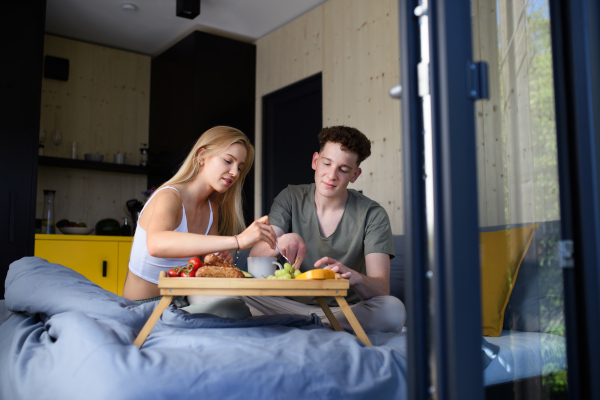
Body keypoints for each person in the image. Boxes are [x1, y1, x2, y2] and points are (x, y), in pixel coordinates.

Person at [248, 126, 406, 333]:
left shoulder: (373, 214)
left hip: (345, 310)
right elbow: (255, 258)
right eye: (327, 163)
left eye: (343, 169)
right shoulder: (290, 197)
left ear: (355, 175)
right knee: (234, 295)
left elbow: (381, 290)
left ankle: (308, 324)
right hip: (287, 306)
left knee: (393, 309)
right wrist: (281, 242)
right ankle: (319, 325)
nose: (331, 175)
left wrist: (355, 277)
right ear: (315, 161)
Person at [123, 126, 277, 318]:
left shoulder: (212, 206)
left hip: (182, 303)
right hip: (144, 308)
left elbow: (205, 261)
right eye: (228, 161)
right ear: (202, 156)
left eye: (239, 167)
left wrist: (219, 258)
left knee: (239, 307)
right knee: (235, 310)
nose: (234, 172)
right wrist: (237, 241)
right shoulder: (170, 196)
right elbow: (156, 244)